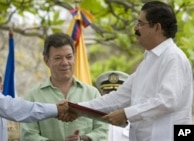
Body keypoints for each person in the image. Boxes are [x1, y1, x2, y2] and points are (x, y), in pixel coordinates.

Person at [76, 1, 193, 141]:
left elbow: (167, 101)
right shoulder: (148, 62)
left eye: (140, 24)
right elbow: (118, 98)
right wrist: (77, 109)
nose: (135, 29)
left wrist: (126, 114)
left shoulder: (173, 57)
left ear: (157, 27)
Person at [20, 33, 108, 141]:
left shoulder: (92, 93)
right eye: (58, 58)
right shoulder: (32, 97)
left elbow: (103, 131)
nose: (65, 62)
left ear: (74, 58)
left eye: (69, 57)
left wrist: (82, 139)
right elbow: (28, 135)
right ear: (46, 61)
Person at [95, 71, 129, 141]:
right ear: (101, 95)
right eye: (108, 93)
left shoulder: (136, 120)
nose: (113, 97)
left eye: (117, 93)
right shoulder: (94, 120)